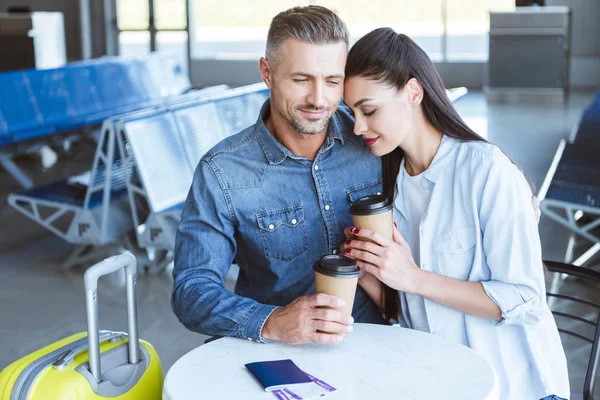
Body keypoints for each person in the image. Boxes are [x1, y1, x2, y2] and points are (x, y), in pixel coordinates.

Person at [341, 28, 569, 400]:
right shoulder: (389, 186)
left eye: (369, 110)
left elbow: (523, 298)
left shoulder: (486, 170)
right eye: (352, 113)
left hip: (517, 388)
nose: (357, 127)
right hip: (441, 384)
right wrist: (372, 274)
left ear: (413, 93)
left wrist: (412, 277)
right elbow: (415, 312)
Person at [171, 6, 386, 346]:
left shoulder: (372, 139)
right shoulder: (223, 171)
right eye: (301, 79)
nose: (319, 99)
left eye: (333, 81)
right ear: (267, 72)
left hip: (375, 340)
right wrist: (272, 321)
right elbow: (191, 289)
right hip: (277, 351)